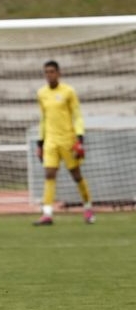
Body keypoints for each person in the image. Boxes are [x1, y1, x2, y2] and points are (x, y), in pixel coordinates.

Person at [33, 60, 94, 225]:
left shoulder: (68, 92)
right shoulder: (42, 93)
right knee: (49, 174)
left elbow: (77, 115)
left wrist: (80, 139)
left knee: (76, 175)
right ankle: (47, 213)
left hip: (68, 140)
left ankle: (88, 207)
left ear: (59, 73)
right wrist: (40, 143)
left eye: (52, 71)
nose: (49, 75)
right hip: (51, 141)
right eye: (46, 72)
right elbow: (43, 119)